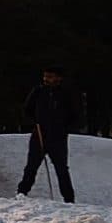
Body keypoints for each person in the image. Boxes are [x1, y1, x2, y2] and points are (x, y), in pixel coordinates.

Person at [16, 64, 82, 202]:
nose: (46, 79)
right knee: (31, 166)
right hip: (39, 134)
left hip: (58, 137)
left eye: (50, 77)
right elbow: (27, 109)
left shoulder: (66, 93)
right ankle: (21, 193)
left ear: (58, 78)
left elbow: (75, 114)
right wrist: (35, 122)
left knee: (62, 169)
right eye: (45, 76)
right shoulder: (38, 91)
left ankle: (69, 199)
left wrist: (65, 128)